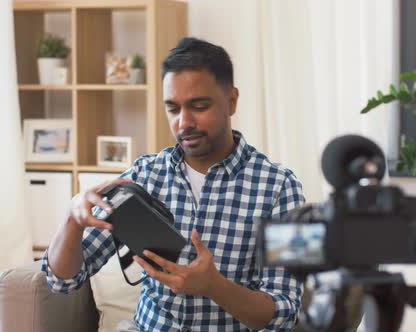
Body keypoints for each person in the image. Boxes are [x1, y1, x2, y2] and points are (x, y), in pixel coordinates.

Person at [42, 37, 305, 331]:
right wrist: (71, 220)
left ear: (231, 101)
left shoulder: (281, 188)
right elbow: (62, 280)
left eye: (199, 106)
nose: (183, 122)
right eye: (173, 109)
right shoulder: (144, 176)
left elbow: (284, 311)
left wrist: (214, 286)